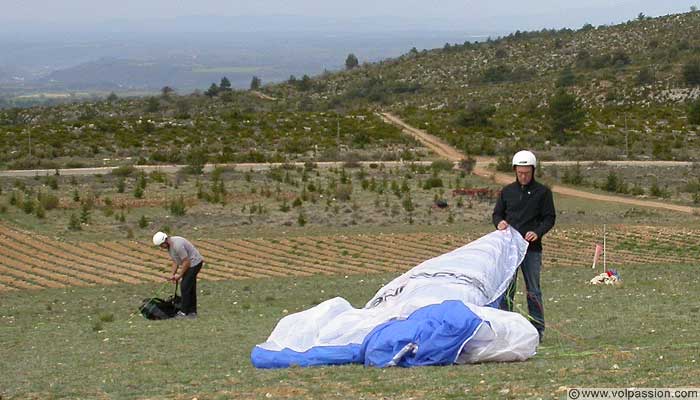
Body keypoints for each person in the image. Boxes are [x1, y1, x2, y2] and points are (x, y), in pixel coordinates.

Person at [492, 150, 556, 342]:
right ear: (515, 171)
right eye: (520, 173)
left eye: (527, 173)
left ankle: (538, 330)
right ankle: (506, 329)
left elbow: (549, 218)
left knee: (533, 290)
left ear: (533, 171)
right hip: (509, 250)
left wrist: (537, 232)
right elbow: (497, 214)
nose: (523, 176)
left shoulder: (543, 193)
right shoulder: (507, 192)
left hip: (532, 250)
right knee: (506, 289)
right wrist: (499, 224)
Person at [153, 231, 204, 319]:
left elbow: (186, 261)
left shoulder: (177, 245)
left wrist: (179, 275)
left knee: (185, 286)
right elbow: (175, 261)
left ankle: (184, 313)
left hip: (195, 263)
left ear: (165, 241)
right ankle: (192, 313)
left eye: (161, 245)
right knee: (189, 287)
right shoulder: (170, 247)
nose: (161, 247)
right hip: (189, 263)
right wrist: (172, 274)